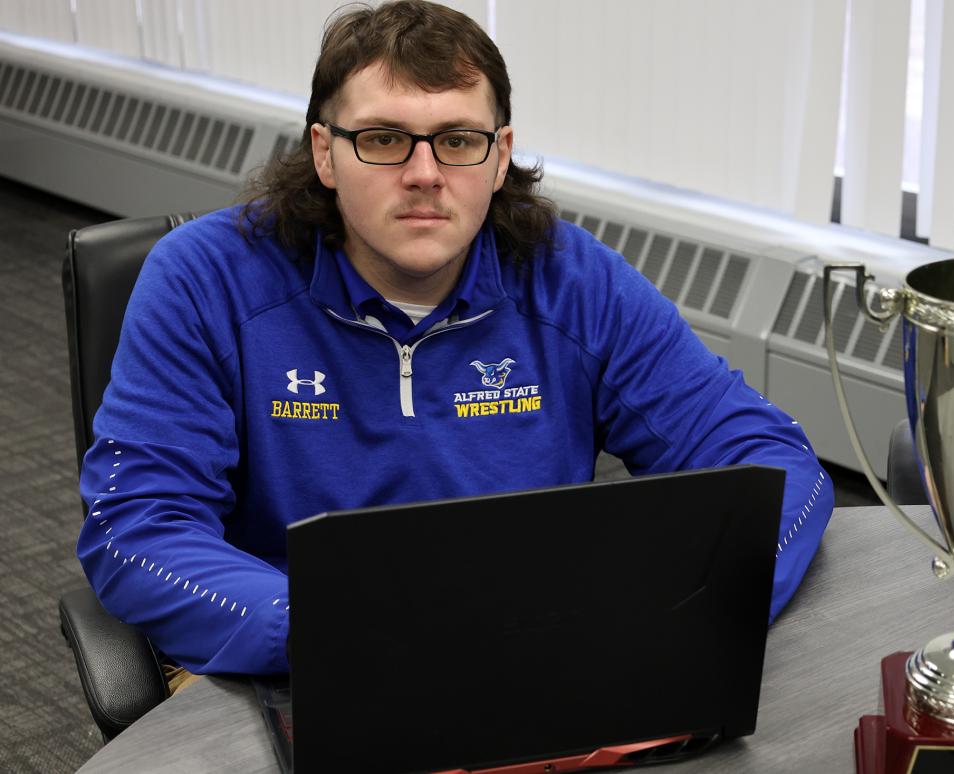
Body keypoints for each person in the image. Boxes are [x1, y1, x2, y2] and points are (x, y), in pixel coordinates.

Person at [77, 0, 834, 679]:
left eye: (458, 141)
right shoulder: (205, 280)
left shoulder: (571, 280)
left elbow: (772, 462)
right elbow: (134, 526)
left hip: (540, 662)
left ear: (500, 156)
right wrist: (331, 631)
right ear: (323, 153)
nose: (424, 174)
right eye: (382, 139)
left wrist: (690, 606)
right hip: (303, 664)